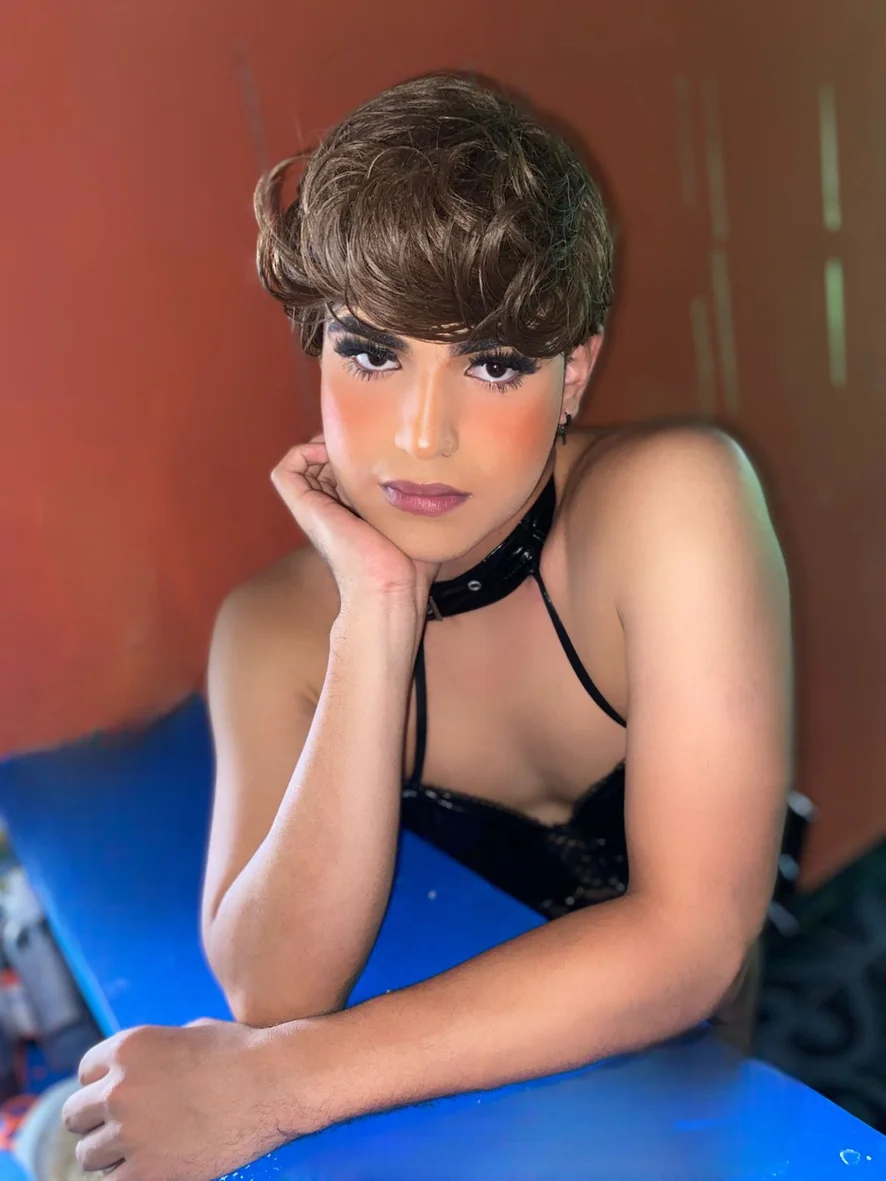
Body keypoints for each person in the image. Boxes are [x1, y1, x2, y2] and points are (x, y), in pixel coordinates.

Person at [61, 72, 792, 1180]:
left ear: (574, 373)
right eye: (372, 352)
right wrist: (376, 609)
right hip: (451, 1113)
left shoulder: (675, 502)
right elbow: (272, 984)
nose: (422, 435)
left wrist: (274, 1086)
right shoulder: (269, 630)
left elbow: (693, 941)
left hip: (691, 1074)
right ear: (318, 349)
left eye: (493, 363)